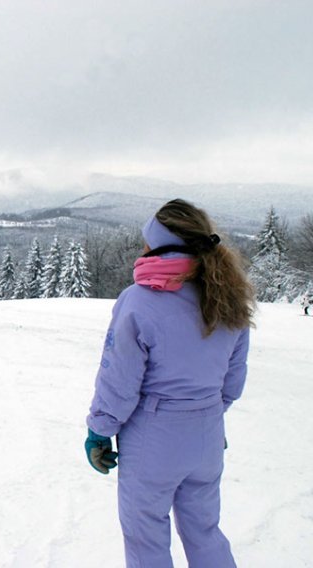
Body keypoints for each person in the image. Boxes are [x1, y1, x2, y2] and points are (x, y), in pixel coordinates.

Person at [84, 199, 255, 567]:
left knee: (146, 539)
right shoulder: (228, 299)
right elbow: (233, 381)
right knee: (205, 531)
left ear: (160, 247)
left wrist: (99, 431)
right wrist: (205, 416)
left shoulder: (139, 302)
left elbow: (119, 382)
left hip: (154, 440)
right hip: (208, 434)